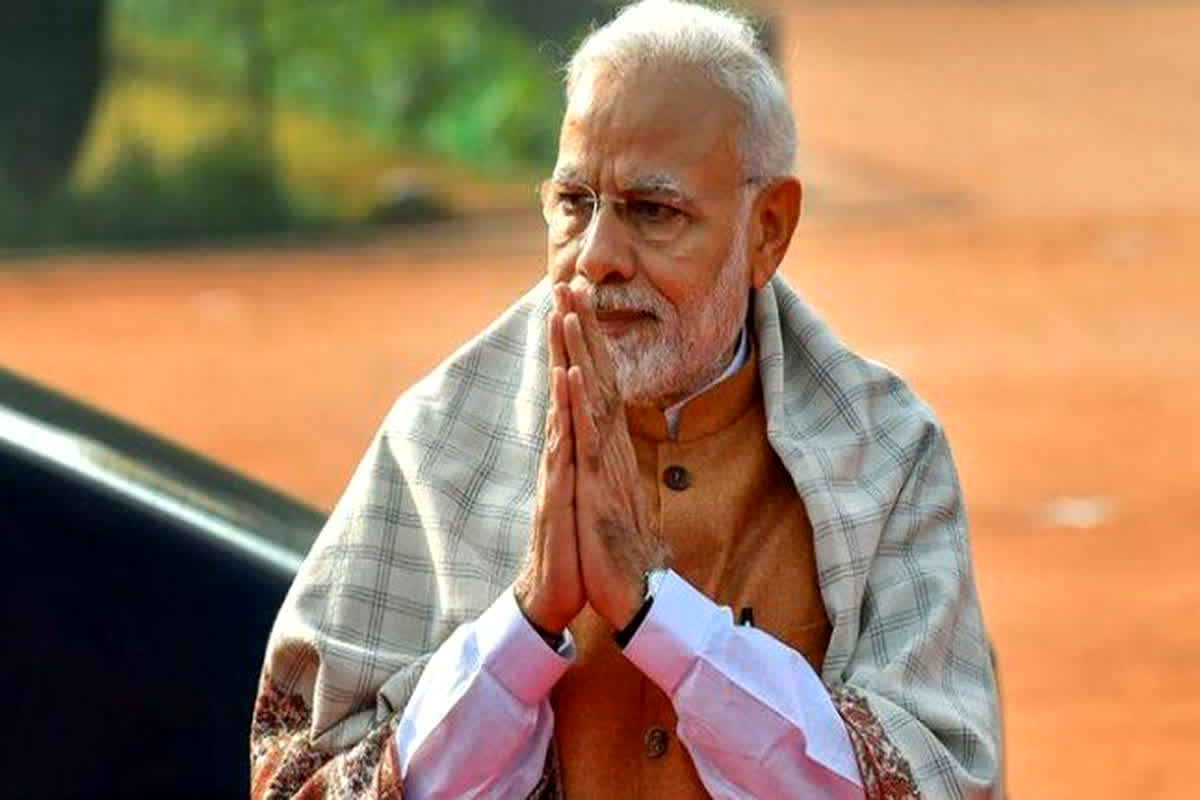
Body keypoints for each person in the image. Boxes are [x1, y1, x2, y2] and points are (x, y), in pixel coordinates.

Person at [250, 2, 1001, 798]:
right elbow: (301, 780)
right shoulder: (437, 446)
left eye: (654, 211)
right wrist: (525, 624)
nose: (597, 257)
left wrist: (660, 619)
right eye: (576, 204)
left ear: (768, 230)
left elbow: (939, 780)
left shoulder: (883, 452)